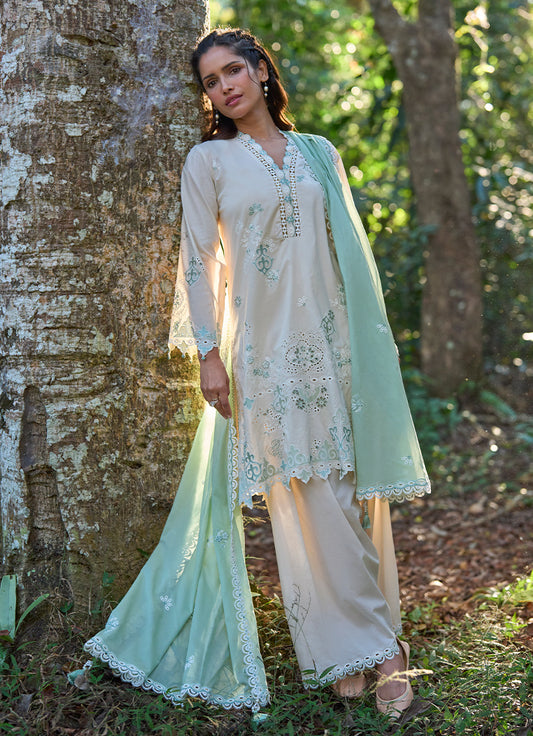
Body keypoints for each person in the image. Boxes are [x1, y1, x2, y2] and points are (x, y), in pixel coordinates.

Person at [84, 28, 431, 719]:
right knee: (301, 494)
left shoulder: (318, 153)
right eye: (210, 82)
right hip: (261, 356)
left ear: (262, 71)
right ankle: (376, 649)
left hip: (331, 344)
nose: (224, 88)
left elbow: (348, 253)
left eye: (233, 71)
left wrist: (368, 349)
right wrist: (208, 354)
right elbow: (197, 261)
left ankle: (353, 645)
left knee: (341, 491)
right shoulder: (208, 161)